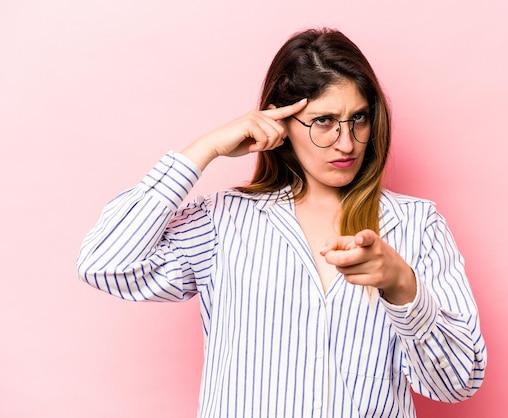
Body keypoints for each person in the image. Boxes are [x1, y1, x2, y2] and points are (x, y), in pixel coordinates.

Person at [77, 27, 486, 418]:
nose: (346, 143)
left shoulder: (417, 225)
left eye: (358, 119)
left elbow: (457, 383)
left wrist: (401, 285)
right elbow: (103, 262)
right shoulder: (224, 222)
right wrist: (203, 150)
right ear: (281, 123)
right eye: (323, 121)